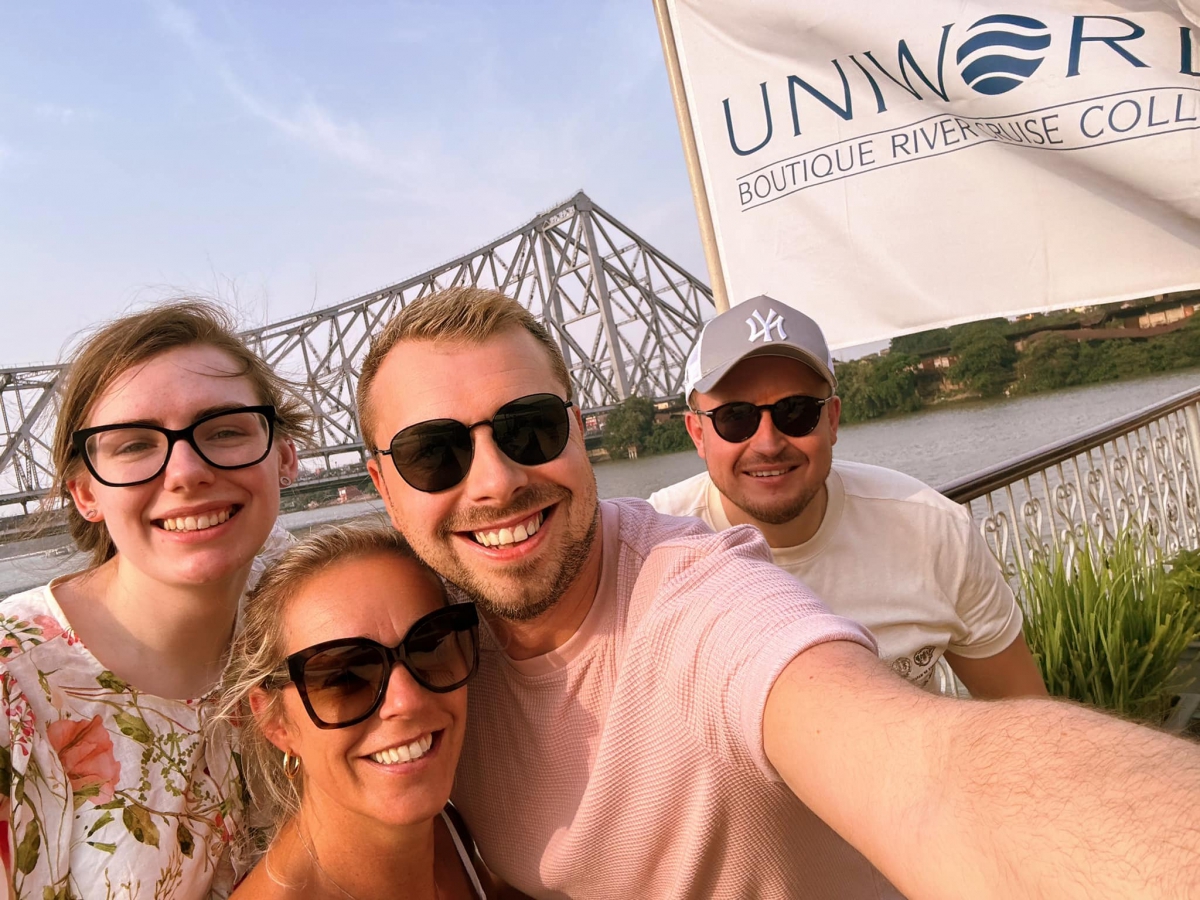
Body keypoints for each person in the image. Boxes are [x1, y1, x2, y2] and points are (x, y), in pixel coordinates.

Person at [358, 286, 1200, 900]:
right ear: (383, 488)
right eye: (435, 454)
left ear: (580, 433)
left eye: (529, 428)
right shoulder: (415, 651)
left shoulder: (701, 585)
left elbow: (940, 771)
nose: (498, 480)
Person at [0, 300, 308, 900]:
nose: (187, 471)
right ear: (86, 493)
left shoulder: (308, 611)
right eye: (135, 445)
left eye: (225, 430)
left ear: (284, 455)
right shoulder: (13, 680)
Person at [648, 295, 1046, 698]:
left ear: (832, 420)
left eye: (796, 412)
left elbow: (1024, 715)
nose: (768, 443)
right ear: (697, 433)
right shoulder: (650, 554)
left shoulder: (933, 532)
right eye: (736, 417)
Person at [219, 522, 504, 900]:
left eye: (428, 645)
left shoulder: (447, 832)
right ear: (275, 722)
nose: (406, 700)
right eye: (343, 676)